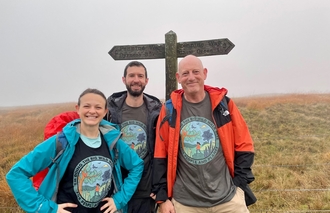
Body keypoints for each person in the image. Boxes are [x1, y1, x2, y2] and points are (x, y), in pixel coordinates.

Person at [6, 88, 144, 213]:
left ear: (105, 112)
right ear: (78, 109)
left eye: (98, 107)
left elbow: (137, 165)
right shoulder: (61, 142)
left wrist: (119, 200)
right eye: (87, 106)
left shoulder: (113, 142)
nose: (92, 111)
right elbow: (16, 174)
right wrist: (45, 207)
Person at [151, 55, 256, 213]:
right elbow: (160, 154)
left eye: (196, 72)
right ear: (178, 78)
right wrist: (162, 198)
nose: (191, 77)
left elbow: (244, 145)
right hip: (185, 204)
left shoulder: (224, 105)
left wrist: (239, 185)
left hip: (228, 200)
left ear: (205, 73)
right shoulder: (169, 110)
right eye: (185, 73)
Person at [105, 61, 162, 213]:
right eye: (131, 75)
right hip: (117, 187)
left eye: (140, 76)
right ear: (124, 79)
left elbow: (163, 150)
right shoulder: (110, 111)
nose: (136, 79)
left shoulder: (157, 112)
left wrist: (160, 187)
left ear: (146, 81)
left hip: (146, 190)